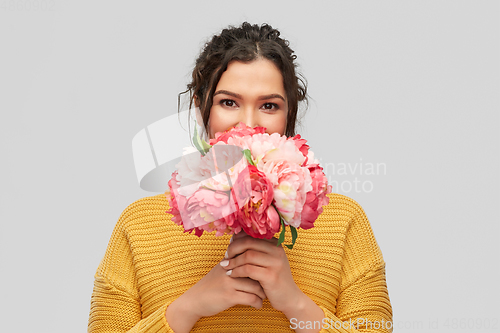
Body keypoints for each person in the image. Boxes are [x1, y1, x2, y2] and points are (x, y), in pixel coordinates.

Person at [88, 22, 393, 333]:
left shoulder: (343, 222)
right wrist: (187, 309)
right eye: (229, 102)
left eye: (269, 105)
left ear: (290, 116)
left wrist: (296, 304)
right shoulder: (139, 226)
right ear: (201, 109)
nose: (248, 123)